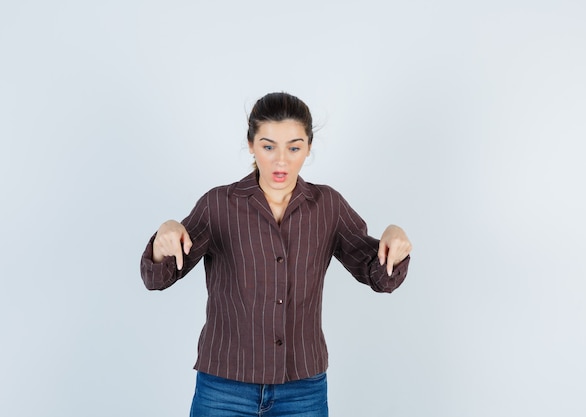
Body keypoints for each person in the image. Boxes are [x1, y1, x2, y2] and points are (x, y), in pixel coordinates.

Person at [140, 92, 412, 417]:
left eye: (294, 147)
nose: (281, 161)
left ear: (309, 147)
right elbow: (158, 277)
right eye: (269, 146)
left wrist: (394, 239)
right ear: (251, 144)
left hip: (303, 389)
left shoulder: (328, 207)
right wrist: (162, 239)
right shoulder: (217, 206)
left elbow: (378, 275)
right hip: (224, 386)